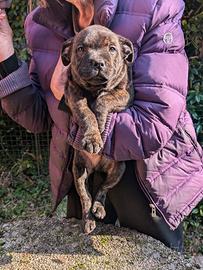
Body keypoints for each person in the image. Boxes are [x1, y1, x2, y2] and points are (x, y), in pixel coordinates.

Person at [0, 0, 202, 252]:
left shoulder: (154, 6)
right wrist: (4, 50)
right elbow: (39, 117)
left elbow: (153, 123)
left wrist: (72, 102)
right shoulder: (40, 23)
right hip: (84, 174)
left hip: (145, 179)